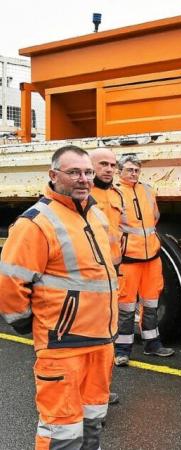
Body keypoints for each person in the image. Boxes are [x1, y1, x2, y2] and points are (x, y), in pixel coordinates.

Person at [0, 145, 117, 449]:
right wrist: (26, 323)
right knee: (62, 432)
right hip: (62, 346)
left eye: (88, 172)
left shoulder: (94, 214)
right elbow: (10, 283)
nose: (84, 178)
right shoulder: (36, 222)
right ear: (53, 175)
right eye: (74, 172)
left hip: (100, 342)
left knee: (93, 421)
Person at [114, 155, 174, 365]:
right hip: (128, 258)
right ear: (119, 171)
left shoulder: (148, 190)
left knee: (151, 303)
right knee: (126, 306)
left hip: (152, 258)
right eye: (129, 169)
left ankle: (152, 345)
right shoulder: (114, 193)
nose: (133, 173)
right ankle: (122, 350)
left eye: (136, 170)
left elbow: (154, 217)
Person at [90, 148, 125, 406]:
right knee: (85, 343)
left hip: (111, 277)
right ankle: (84, 396)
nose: (109, 169)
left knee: (106, 340)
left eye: (113, 164)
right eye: (103, 164)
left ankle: (99, 392)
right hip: (87, 280)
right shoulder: (82, 195)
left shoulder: (116, 194)